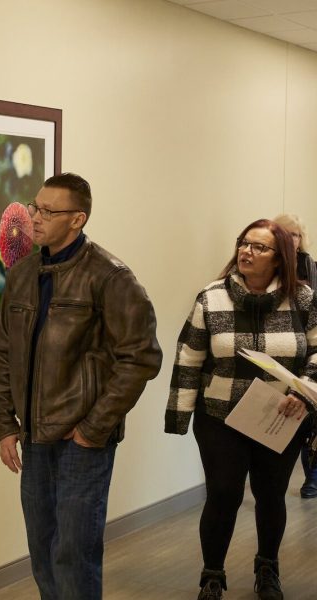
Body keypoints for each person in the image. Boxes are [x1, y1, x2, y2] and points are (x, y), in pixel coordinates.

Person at [0, 172, 163, 600]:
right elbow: (5, 353)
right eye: (35, 206)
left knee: (73, 552)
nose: (35, 217)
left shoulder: (110, 277)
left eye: (48, 211)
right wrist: (5, 424)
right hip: (34, 438)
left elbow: (141, 357)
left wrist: (93, 428)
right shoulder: (23, 274)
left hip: (80, 441)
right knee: (41, 550)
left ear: (77, 219)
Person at [165, 219, 317, 600]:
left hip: (282, 415)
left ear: (280, 258)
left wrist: (304, 392)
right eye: (243, 243)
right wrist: (179, 416)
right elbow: (189, 356)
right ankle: (212, 576)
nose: (246, 251)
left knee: (271, 494)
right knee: (223, 493)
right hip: (220, 416)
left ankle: (267, 569)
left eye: (259, 247)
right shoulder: (212, 296)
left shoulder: (302, 299)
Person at [273, 213, 317, 498]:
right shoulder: (269, 270)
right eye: (285, 233)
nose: (291, 239)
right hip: (281, 351)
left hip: (311, 349)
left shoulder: (312, 269)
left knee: (311, 417)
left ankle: (312, 475)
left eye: (295, 234)